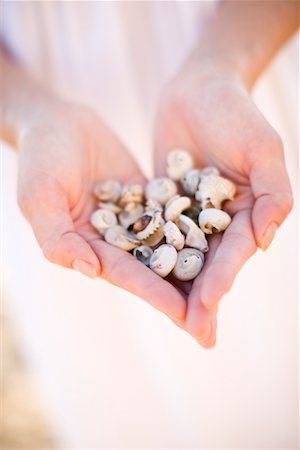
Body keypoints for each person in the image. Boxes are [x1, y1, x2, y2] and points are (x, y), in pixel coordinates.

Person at [1, 1, 299, 447]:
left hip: (228, 56)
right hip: (42, 118)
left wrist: (223, 64)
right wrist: (29, 116)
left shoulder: (183, 207)